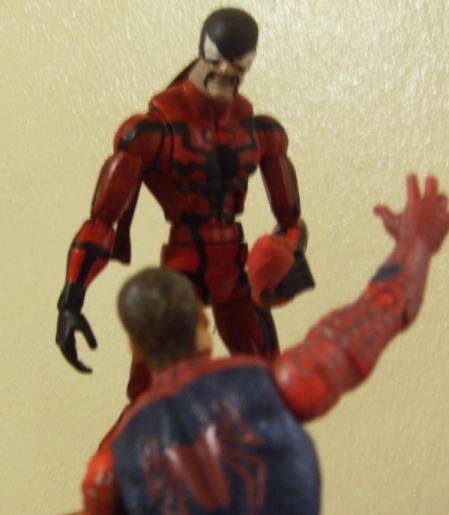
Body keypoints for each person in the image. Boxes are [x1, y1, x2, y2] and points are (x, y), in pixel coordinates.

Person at [73, 175, 449, 515]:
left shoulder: (110, 465)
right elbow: (378, 313)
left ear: (133, 346)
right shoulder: (277, 382)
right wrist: (414, 248)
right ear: (204, 323)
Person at [56, 8, 314, 401]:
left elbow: (292, 221)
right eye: (218, 59)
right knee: (148, 397)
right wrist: (71, 300)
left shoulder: (261, 131)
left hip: (234, 270)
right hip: (182, 269)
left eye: (239, 64)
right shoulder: (151, 132)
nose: (226, 72)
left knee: (269, 385)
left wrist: (282, 256)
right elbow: (102, 221)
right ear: (203, 51)